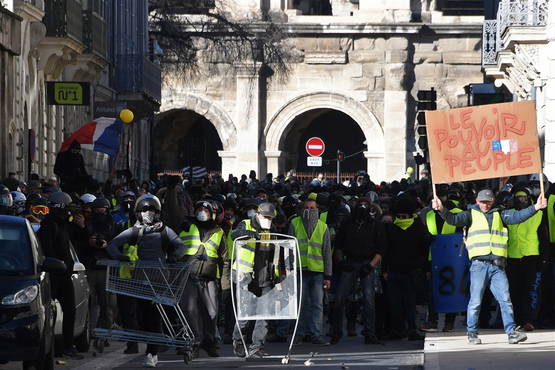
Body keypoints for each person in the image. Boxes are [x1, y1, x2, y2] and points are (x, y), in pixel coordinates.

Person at [432, 188, 547, 345]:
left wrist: (536, 207)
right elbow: (453, 219)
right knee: (476, 301)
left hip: (498, 266)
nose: (485, 205)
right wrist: (441, 210)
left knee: (505, 299)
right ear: (477, 202)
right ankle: (472, 332)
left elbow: (518, 216)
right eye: (482, 202)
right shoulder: (470, 214)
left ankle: (511, 332)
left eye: (488, 202)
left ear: (493, 201)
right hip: (479, 265)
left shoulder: (500, 213)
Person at [107, 194, 185, 368]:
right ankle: (155, 345)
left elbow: (180, 246)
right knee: (143, 317)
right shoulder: (135, 230)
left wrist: (174, 256)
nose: (147, 213)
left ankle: (152, 353)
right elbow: (112, 244)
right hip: (140, 280)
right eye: (144, 210)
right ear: (138, 213)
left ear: (157, 212)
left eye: (151, 210)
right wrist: (120, 257)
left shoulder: (165, 230)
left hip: (160, 279)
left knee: (154, 317)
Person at [230, 202, 284, 358]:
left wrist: (277, 276)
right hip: (246, 275)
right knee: (245, 313)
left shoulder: (271, 230)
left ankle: (256, 346)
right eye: (265, 216)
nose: (268, 219)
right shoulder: (246, 223)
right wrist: (247, 233)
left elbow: (275, 254)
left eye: (270, 217)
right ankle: (238, 341)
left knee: (264, 314)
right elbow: (234, 234)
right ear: (258, 214)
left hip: (265, 277)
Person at [330, 198, 385, 345]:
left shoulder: (374, 225)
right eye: (360, 205)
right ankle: (336, 333)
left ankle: (370, 334)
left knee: (369, 300)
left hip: (367, 262)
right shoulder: (347, 224)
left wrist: (371, 266)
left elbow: (380, 249)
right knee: (340, 299)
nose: (362, 208)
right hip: (350, 262)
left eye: (365, 206)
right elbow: (339, 246)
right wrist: (341, 263)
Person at [37, 191, 84, 359]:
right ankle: (52, 348)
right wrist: (60, 266)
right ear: (61, 207)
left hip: (62, 274)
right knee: (50, 313)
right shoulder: (50, 225)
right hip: (54, 275)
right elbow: (48, 250)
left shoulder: (61, 224)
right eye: (68, 208)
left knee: (69, 311)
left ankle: (67, 346)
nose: (71, 212)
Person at [179, 200, 229, 357]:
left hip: (210, 278)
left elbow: (225, 258)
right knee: (190, 311)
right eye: (199, 210)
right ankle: (193, 344)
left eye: (205, 210)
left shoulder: (219, 231)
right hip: (189, 277)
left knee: (212, 313)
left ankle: (209, 342)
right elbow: (176, 248)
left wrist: (225, 281)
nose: (202, 213)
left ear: (211, 213)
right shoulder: (187, 227)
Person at [383, 195, 431, 341]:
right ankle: (405, 330)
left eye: (403, 215)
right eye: (399, 216)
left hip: (407, 271)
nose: (401, 218)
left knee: (406, 303)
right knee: (399, 303)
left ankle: (404, 329)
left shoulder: (393, 227)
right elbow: (386, 249)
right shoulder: (418, 227)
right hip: (405, 270)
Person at [288, 196, 332, 345]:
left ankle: (315, 334)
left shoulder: (323, 227)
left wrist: (328, 275)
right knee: (300, 305)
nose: (309, 211)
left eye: (312, 208)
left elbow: (327, 253)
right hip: (300, 270)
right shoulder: (294, 223)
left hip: (317, 272)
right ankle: (299, 334)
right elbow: (289, 249)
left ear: (317, 210)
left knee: (317, 305)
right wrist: (289, 271)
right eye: (306, 208)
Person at [419, 187, 464, 332]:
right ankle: (433, 321)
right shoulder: (430, 214)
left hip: (453, 257)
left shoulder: (458, 213)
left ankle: (449, 322)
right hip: (434, 258)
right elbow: (426, 236)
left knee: (451, 289)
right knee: (432, 291)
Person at [505, 187, 548, 331]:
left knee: (529, 291)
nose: (520, 200)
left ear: (529, 199)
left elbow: (543, 239)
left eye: (523, 198)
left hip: (531, 257)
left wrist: (543, 259)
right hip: (512, 257)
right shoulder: (508, 215)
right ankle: (517, 320)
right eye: (518, 198)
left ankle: (529, 320)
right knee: (514, 291)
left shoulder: (538, 215)